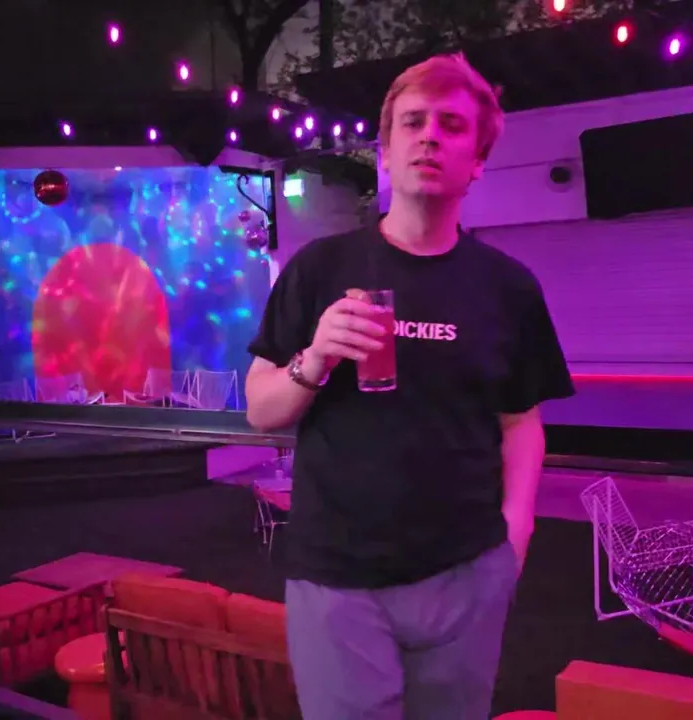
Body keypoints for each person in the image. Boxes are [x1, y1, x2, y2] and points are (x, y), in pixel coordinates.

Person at [244, 53, 575, 720]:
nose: (429, 137)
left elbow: (521, 422)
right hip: (337, 577)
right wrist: (317, 356)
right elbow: (260, 409)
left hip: (466, 571)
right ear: (385, 152)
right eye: (412, 122)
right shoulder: (319, 268)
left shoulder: (508, 287)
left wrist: (516, 535)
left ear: (477, 161)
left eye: (451, 125)